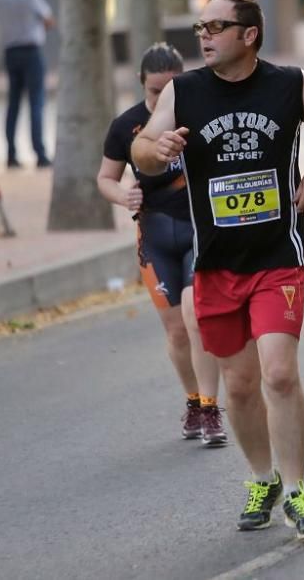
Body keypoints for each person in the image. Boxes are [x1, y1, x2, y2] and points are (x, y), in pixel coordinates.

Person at [131, 0, 304, 539]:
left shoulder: (292, 84)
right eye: (200, 26)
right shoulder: (183, 92)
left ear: (248, 35)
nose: (202, 35)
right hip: (216, 264)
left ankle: (298, 492)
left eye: (215, 26)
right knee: (242, 385)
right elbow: (141, 147)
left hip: (279, 255)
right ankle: (262, 479)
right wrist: (157, 152)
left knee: (278, 372)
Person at [96, 43, 227, 446]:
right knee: (176, 333)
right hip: (154, 235)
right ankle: (192, 401)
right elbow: (105, 178)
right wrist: (123, 197)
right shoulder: (126, 126)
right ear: (141, 86)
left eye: (170, 88)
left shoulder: (202, 116)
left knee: (196, 315)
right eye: (154, 91)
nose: (160, 98)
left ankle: (210, 409)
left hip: (198, 232)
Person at [0, 0, 54, 169]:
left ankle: (11, 153)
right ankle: (40, 153)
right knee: (36, 103)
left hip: (10, 51)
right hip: (31, 50)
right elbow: (48, 19)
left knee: (13, 104)